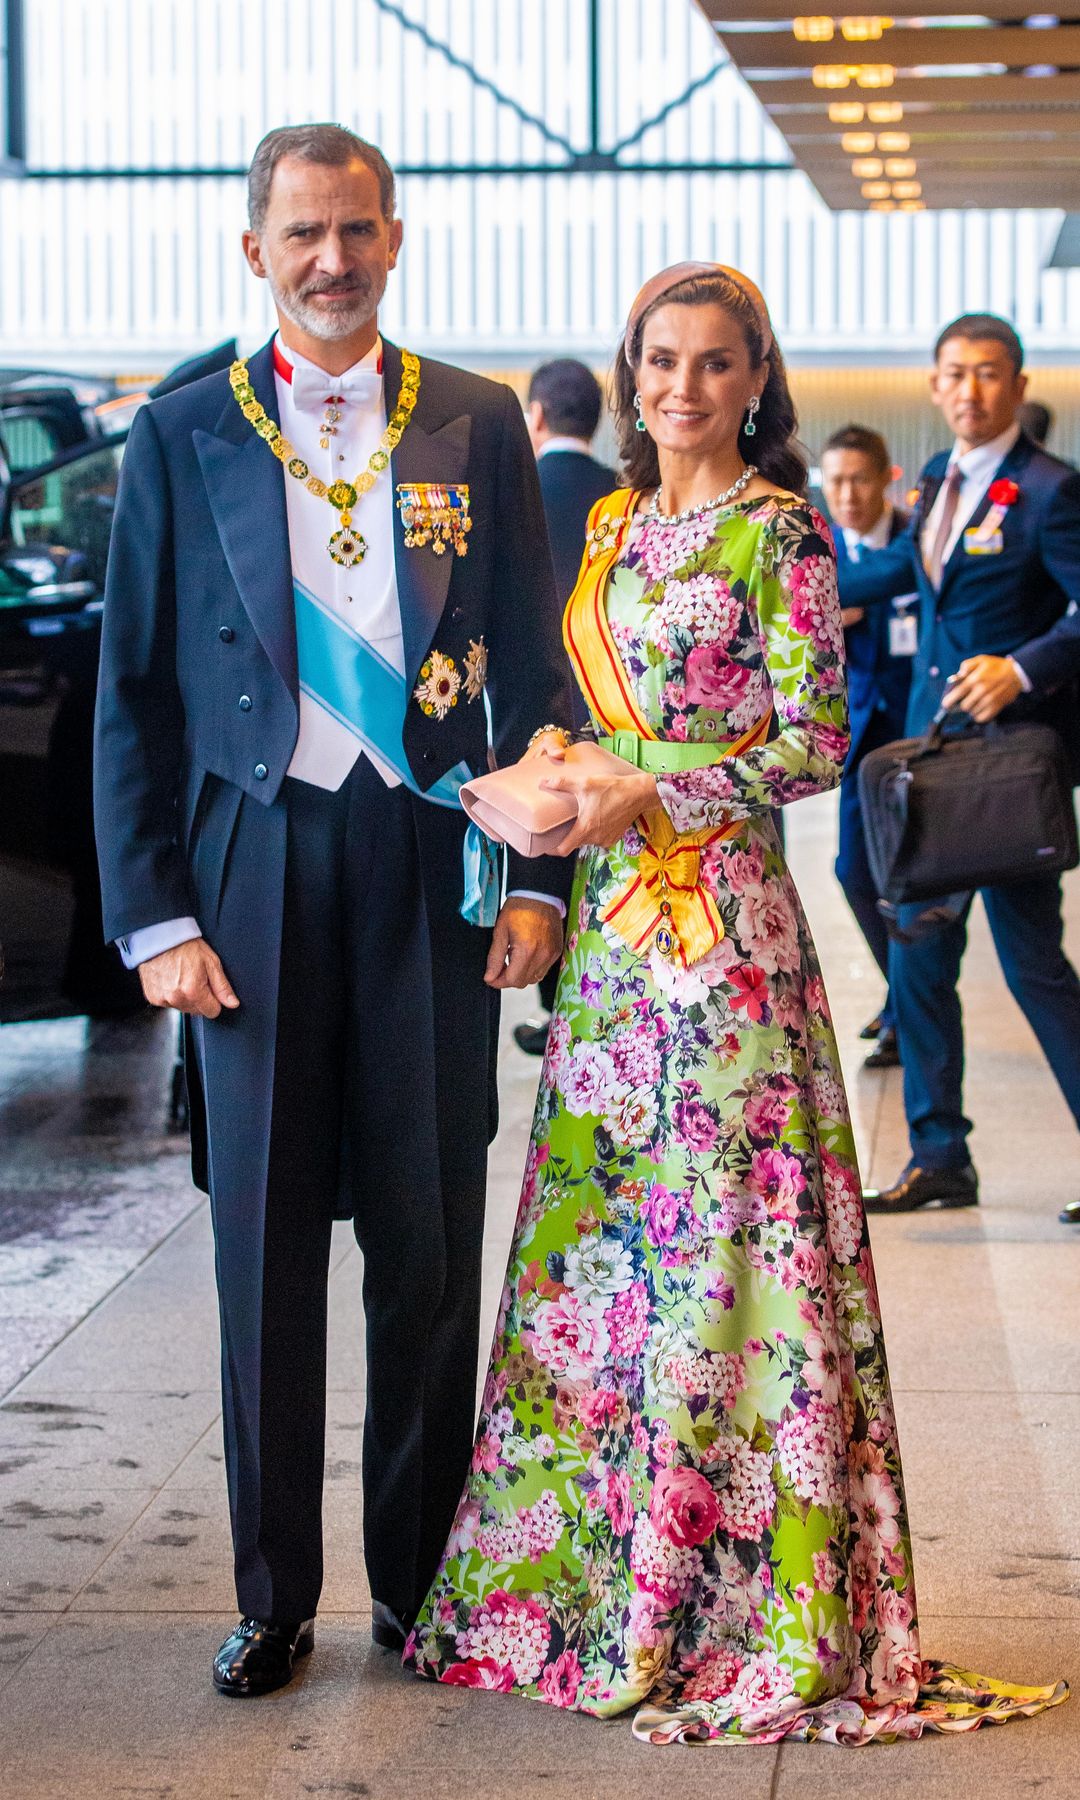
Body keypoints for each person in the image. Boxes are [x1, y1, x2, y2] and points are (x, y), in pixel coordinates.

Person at [404, 265, 1066, 1742]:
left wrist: (660, 787)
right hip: (617, 947)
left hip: (729, 941)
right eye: (661, 362)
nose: (683, 388)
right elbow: (581, 698)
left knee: (726, 1252)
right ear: (631, 373)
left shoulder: (784, 531)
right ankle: (596, 1581)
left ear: (754, 379)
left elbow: (813, 739)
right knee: (608, 1252)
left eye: (714, 366)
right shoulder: (609, 525)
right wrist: (561, 773)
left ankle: (739, 1592)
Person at [93, 123, 575, 1699]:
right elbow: (134, 699)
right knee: (264, 1255)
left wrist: (545, 880)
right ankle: (273, 1593)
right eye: (303, 233)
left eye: (358, 229)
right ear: (256, 249)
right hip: (254, 874)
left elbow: (531, 659)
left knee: (429, 1249)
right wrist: (156, 915)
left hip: (431, 870)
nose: (332, 260)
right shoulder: (178, 434)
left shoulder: (479, 421)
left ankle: (420, 1587)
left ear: (395, 235)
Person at [837, 314, 1080, 1224]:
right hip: (933, 765)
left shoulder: (1052, 492)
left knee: (1034, 970)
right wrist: (796, 577)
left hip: (1012, 773)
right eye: (954, 374)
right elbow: (908, 568)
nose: (969, 391)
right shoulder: (939, 479)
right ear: (935, 388)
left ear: (1016, 385)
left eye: (987, 374)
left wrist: (1022, 666)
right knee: (919, 956)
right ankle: (940, 1155)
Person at [515, 359, 618, 1056]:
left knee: (552, 856)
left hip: (538, 715)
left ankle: (562, 1008)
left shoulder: (516, 492)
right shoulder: (629, 496)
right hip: (619, 718)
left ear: (539, 416)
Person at [821, 424, 914, 1070]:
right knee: (853, 870)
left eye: (859, 479)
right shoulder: (820, 551)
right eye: (835, 482)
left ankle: (907, 1012)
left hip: (918, 731)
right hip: (858, 736)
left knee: (915, 882)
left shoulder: (919, 540)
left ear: (888, 478)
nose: (847, 495)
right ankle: (903, 998)